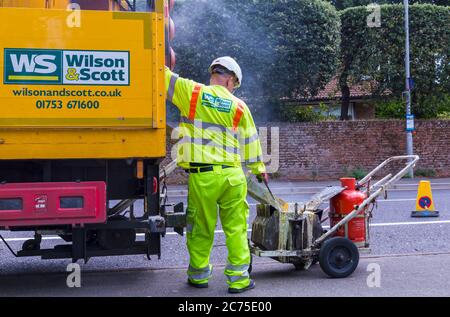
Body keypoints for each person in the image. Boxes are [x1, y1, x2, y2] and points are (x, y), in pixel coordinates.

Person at [165, 56, 267, 294]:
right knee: (236, 228)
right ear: (231, 80)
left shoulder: (191, 92)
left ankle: (199, 276)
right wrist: (259, 170)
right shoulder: (239, 106)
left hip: (204, 176)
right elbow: (251, 141)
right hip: (233, 177)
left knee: (200, 227)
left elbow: (159, 76)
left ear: (214, 74)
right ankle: (239, 280)